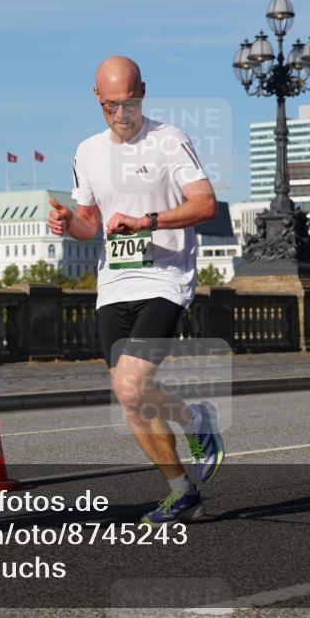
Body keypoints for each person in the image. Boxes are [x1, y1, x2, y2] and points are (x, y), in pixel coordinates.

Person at [48, 56, 223, 523]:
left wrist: (147, 222)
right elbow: (91, 223)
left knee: (131, 383)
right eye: (109, 106)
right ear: (96, 98)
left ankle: (193, 435)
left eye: (128, 103)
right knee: (130, 394)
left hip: (165, 279)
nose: (120, 115)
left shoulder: (169, 141)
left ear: (142, 91)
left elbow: (205, 204)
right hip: (113, 284)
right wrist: (69, 224)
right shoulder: (87, 151)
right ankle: (182, 485)